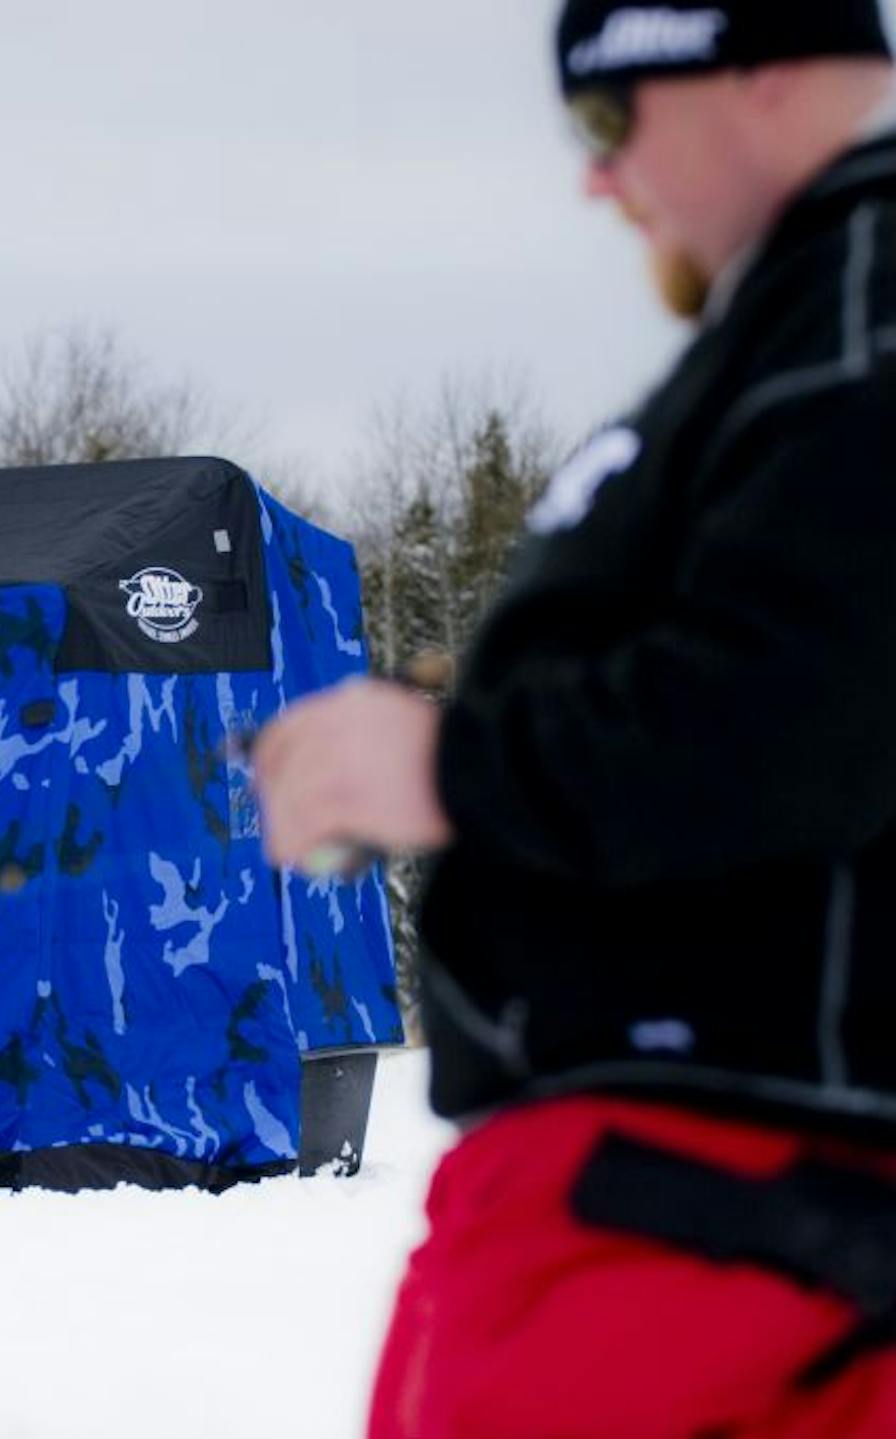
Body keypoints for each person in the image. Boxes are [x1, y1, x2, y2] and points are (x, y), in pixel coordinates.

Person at [252, 2, 896, 1434]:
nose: (595, 180)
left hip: (716, 1215)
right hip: (678, 1207)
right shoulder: (802, 314)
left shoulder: (865, 302)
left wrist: (449, 763)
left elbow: (807, 711)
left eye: (610, 119)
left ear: (764, 66)